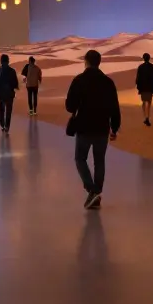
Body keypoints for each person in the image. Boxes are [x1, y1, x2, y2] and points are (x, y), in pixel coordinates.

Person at [65, 50, 120, 209]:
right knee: (99, 161)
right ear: (99, 62)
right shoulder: (108, 82)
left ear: (86, 61)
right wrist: (114, 128)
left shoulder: (79, 80)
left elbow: (70, 106)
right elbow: (114, 108)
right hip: (102, 127)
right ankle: (96, 192)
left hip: (84, 127)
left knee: (80, 158)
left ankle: (92, 190)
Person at [0, 54, 19, 133]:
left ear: (1, 61)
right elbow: (15, 83)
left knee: (2, 110)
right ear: (8, 61)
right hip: (9, 94)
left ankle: (2, 125)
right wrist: (15, 87)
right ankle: (7, 126)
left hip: (1, 93)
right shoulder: (12, 71)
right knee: (8, 110)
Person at [135, 53, 153, 126]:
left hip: (143, 88)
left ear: (143, 58)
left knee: (143, 102)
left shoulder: (140, 67)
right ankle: (147, 117)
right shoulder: (152, 66)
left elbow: (138, 78)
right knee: (149, 102)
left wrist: (138, 86)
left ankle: (145, 117)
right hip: (149, 88)